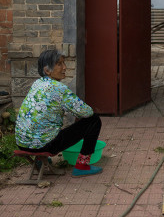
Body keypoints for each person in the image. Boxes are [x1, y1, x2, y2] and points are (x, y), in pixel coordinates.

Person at [15, 49, 103, 177]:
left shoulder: (37, 84)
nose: (64, 67)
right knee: (94, 120)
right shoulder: (59, 89)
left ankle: (40, 161)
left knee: (45, 129)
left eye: (64, 63)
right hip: (43, 146)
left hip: (22, 144)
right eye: (59, 64)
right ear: (47, 70)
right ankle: (82, 166)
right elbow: (87, 112)